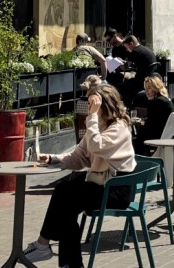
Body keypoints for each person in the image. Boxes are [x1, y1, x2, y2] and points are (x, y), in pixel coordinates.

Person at [24, 84, 136, 268]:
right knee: (66, 205)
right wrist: (52, 158)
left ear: (104, 105)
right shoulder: (97, 126)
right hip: (100, 185)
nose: (89, 109)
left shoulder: (119, 128)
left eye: (93, 104)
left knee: (64, 193)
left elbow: (96, 146)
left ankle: (44, 245)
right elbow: (79, 157)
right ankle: (68, 262)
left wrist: (91, 117)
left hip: (116, 190)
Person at [132, 75, 174, 155]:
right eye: (145, 89)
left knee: (137, 137)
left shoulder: (158, 102)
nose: (146, 92)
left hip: (159, 136)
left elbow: (150, 125)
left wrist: (141, 122)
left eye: (149, 88)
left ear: (156, 88)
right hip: (165, 134)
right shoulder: (162, 99)